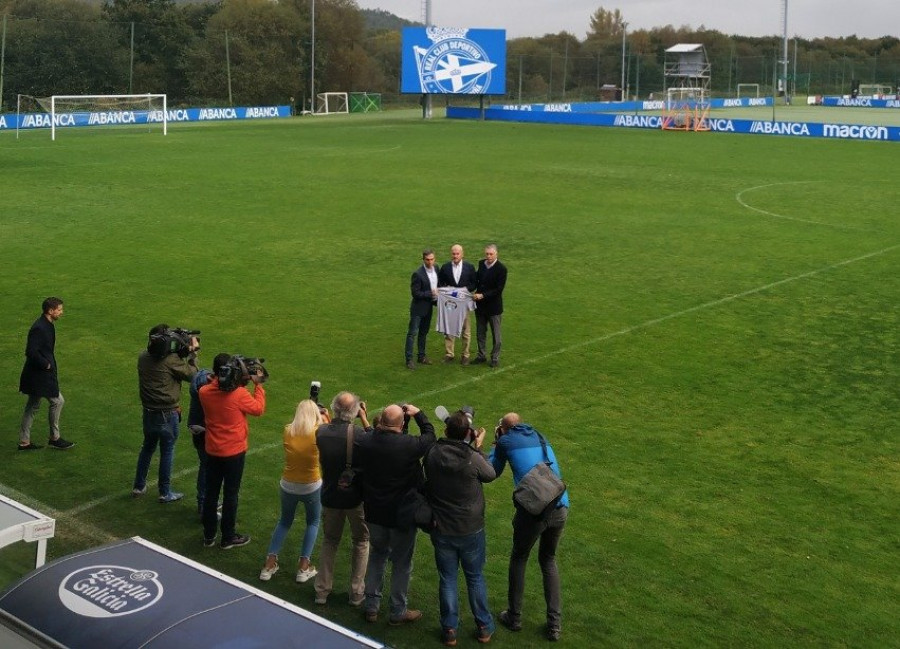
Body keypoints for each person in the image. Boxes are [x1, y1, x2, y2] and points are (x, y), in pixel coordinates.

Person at [489, 413, 569, 642]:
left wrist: (496, 445)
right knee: (548, 559)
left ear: (504, 428)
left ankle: (514, 616)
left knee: (519, 557)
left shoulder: (505, 441)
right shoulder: (540, 436)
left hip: (535, 511)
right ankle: (554, 625)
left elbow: (492, 471)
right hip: (560, 505)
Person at [358, 403, 435, 625]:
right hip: (402, 515)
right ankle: (397, 611)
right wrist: (419, 414)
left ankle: (371, 606)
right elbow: (430, 437)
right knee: (401, 563)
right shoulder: (407, 445)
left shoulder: (367, 440)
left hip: (374, 512)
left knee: (377, 556)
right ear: (401, 425)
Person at [425, 411, 496, 646]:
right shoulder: (472, 457)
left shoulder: (433, 453)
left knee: (448, 579)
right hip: (470, 528)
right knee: (474, 577)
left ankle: (449, 630)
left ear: (446, 431)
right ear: (469, 433)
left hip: (442, 527)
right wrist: (478, 446)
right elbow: (490, 473)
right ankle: (484, 627)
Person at [199, 354, 267, 549]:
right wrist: (258, 385)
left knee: (211, 494)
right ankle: (228, 537)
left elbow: (214, 386)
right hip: (234, 452)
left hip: (213, 450)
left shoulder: (204, 392)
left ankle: (209, 535)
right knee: (231, 495)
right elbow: (258, 409)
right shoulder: (239, 395)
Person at [314, 391, 372, 606]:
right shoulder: (359, 435)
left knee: (330, 541)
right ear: (355, 410)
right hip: (355, 498)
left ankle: (322, 590)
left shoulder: (321, 433)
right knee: (361, 541)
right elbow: (375, 442)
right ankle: (357, 593)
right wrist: (364, 418)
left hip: (330, 494)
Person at [260, 399, 324, 584]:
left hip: (288, 484)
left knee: (284, 521)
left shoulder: (288, 430)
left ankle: (269, 564)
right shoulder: (317, 433)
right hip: (311, 485)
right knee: (313, 522)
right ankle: (304, 568)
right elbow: (326, 430)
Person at [134, 324, 199, 502]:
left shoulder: (143, 357)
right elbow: (193, 375)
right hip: (167, 413)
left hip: (148, 411)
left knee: (147, 448)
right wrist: (192, 354)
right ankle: (165, 492)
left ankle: (139, 486)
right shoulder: (170, 361)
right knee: (167, 451)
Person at [18, 297, 74, 451]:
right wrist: (46, 364)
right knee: (57, 401)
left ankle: (24, 442)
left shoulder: (47, 324)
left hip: (39, 374)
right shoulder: (40, 328)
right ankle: (54, 437)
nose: (61, 312)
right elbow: (30, 351)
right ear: (51, 311)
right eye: (59, 310)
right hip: (39, 375)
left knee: (33, 406)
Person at [187, 360, 220, 518]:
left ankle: (203, 502)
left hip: (197, 430)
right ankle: (205, 505)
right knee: (209, 469)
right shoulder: (209, 391)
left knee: (205, 466)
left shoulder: (199, 379)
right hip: (206, 431)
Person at [437, 244, 477, 365]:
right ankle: (449, 353)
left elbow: (474, 284)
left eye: (457, 253)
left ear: (462, 254)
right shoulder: (445, 267)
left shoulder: (469, 267)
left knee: (466, 329)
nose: (455, 256)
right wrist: (448, 290)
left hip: (464, 303)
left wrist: (462, 291)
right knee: (449, 328)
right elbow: (440, 284)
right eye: (453, 254)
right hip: (450, 303)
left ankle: (465, 355)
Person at [473, 244, 508, 368]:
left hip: (494, 308)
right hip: (480, 307)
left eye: (491, 254)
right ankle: (481, 355)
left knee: (496, 335)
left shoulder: (501, 269)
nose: (488, 256)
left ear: (496, 254)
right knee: (480, 333)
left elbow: (498, 289)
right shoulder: (481, 264)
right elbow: (477, 280)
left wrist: (482, 295)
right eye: (487, 254)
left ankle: (495, 358)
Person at [405, 249, 438, 370]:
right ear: (423, 260)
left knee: (424, 333)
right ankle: (409, 359)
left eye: (432, 259)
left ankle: (421, 356)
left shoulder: (436, 269)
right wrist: (430, 293)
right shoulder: (418, 274)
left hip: (429, 307)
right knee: (412, 333)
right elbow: (415, 293)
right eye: (427, 260)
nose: (430, 262)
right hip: (418, 309)